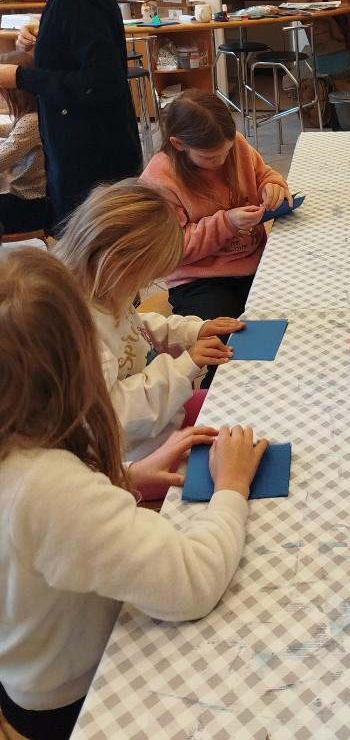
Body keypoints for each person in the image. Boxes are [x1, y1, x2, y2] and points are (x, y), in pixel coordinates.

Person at [0, 248, 267, 740]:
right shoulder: (49, 487)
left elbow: (36, 531)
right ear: (76, 364)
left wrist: (125, 476)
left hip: (29, 681)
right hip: (81, 698)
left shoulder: (24, 457)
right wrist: (231, 486)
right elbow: (193, 580)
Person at [54, 180, 245, 466]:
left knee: (237, 407)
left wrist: (194, 331)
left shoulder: (103, 290)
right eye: (144, 277)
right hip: (139, 458)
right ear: (114, 262)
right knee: (231, 463)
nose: (145, 286)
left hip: (164, 419)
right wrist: (185, 366)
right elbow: (117, 414)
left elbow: (137, 329)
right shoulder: (79, 332)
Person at [0, 0, 141, 231]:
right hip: (82, 154)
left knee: (97, 257)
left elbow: (100, 83)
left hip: (93, 163)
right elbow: (75, 56)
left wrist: (18, 76)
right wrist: (41, 39)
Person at [140, 90, 292, 320]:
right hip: (198, 279)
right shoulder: (159, 179)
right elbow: (172, 249)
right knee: (222, 333)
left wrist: (271, 186)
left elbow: (263, 174)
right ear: (178, 144)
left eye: (226, 152)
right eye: (210, 158)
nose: (221, 161)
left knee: (289, 313)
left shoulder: (235, 145)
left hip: (254, 262)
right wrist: (227, 223)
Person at [0, 51, 47, 234]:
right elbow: (12, 130)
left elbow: (2, 159)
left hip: (30, 206)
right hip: (25, 200)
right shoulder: (33, 115)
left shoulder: (31, 122)